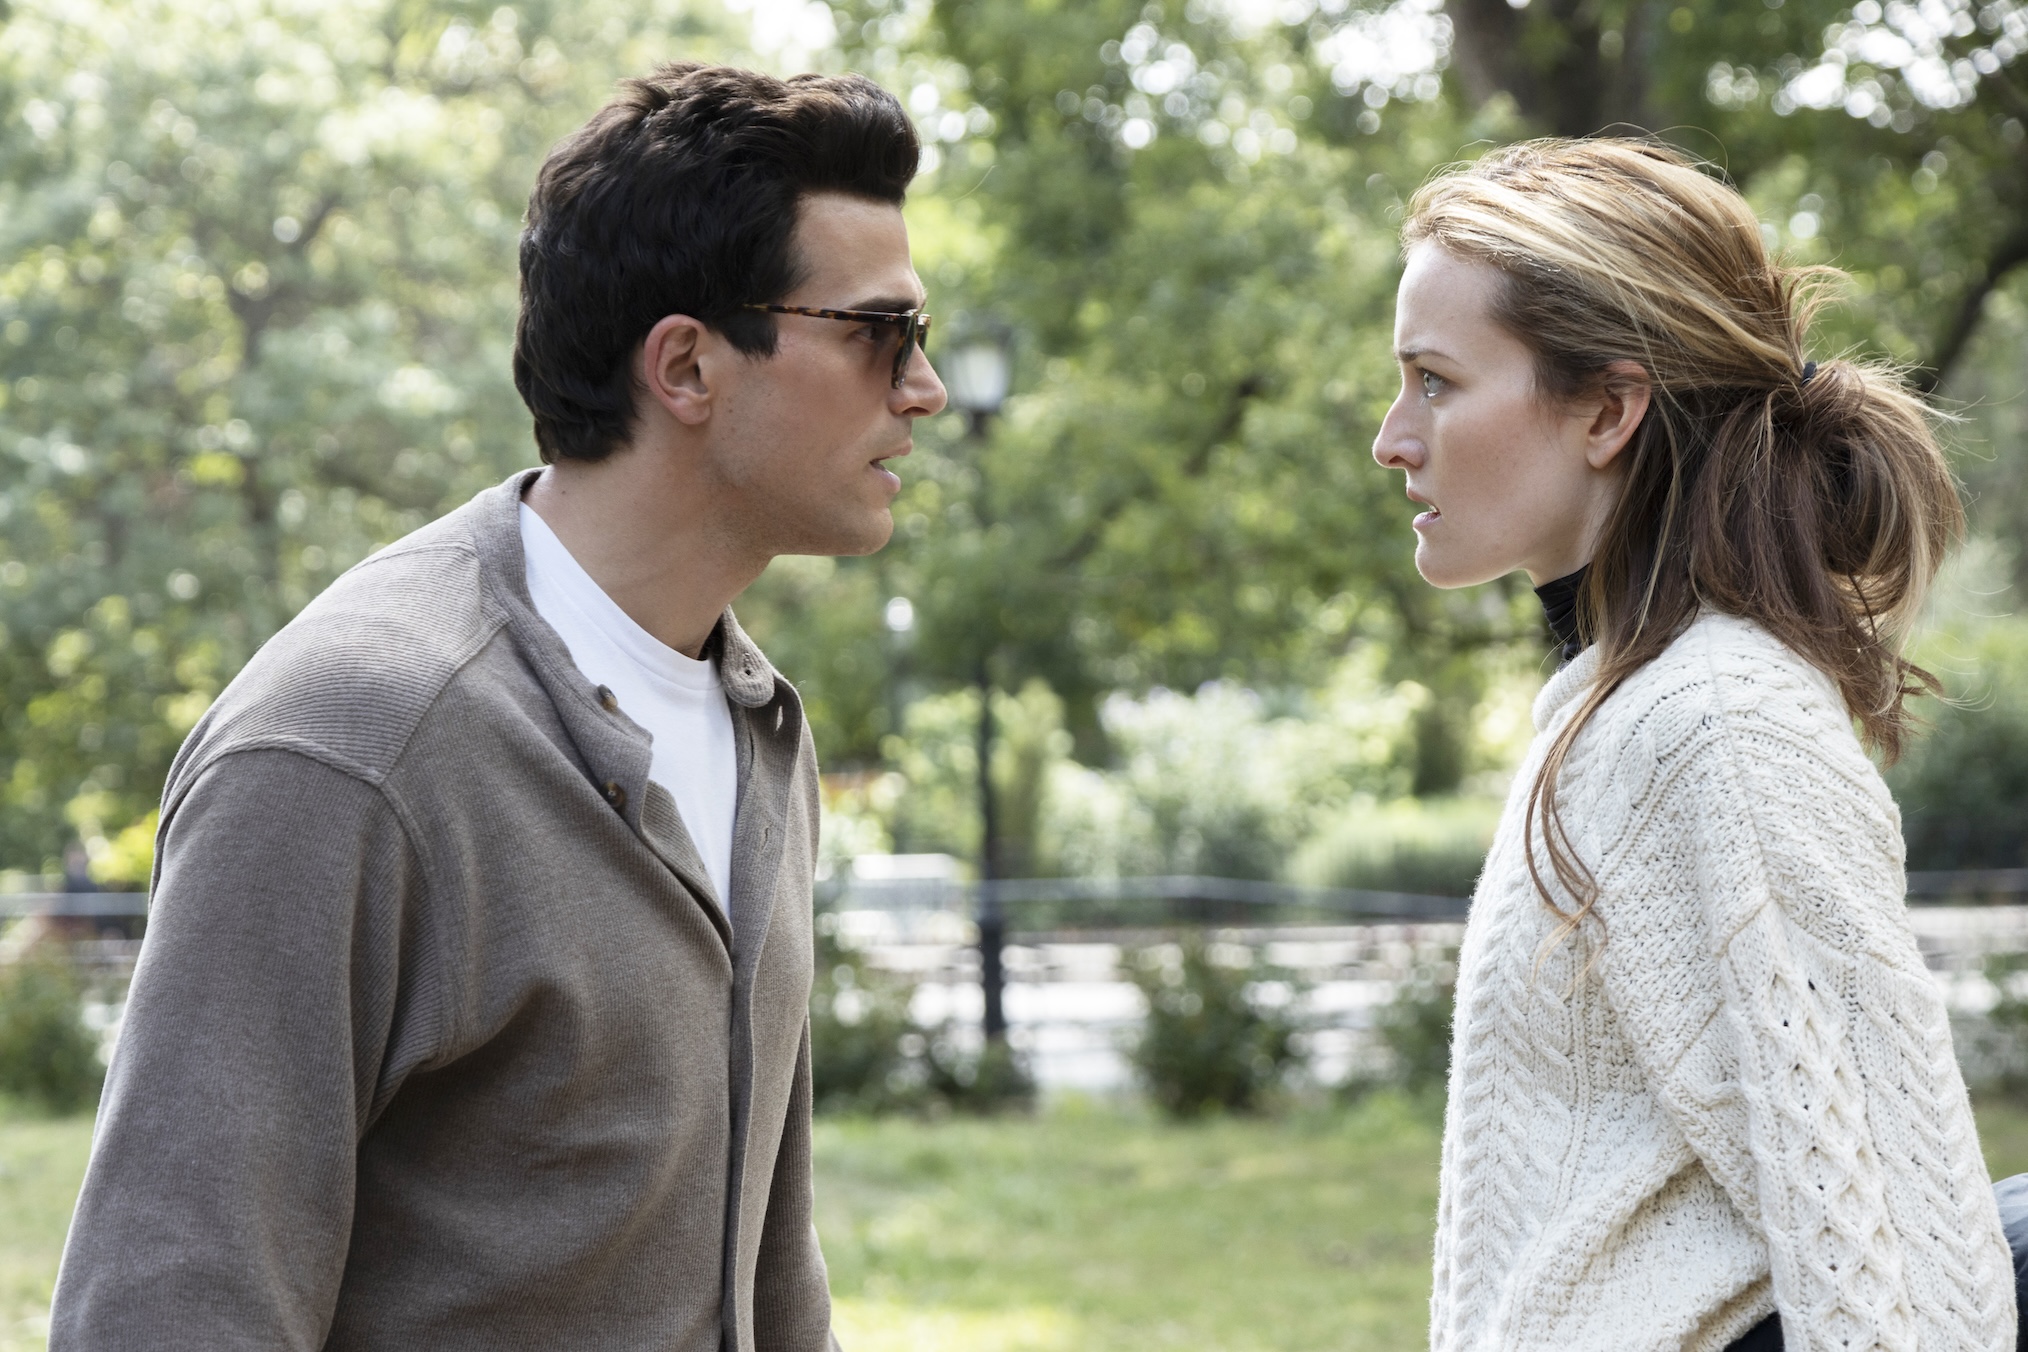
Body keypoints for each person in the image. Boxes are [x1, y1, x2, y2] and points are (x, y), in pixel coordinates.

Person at [52, 63, 945, 1350]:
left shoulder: (756, 723)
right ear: (687, 364)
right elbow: (170, 1310)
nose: (923, 387)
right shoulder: (347, 749)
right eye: (880, 331)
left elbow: (770, 1270)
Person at [1372, 138, 2017, 1351]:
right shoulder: (1618, 707)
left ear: (1607, 410)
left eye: (1436, 382)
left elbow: (1899, 1266)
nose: (1392, 437)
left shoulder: (1718, 723)